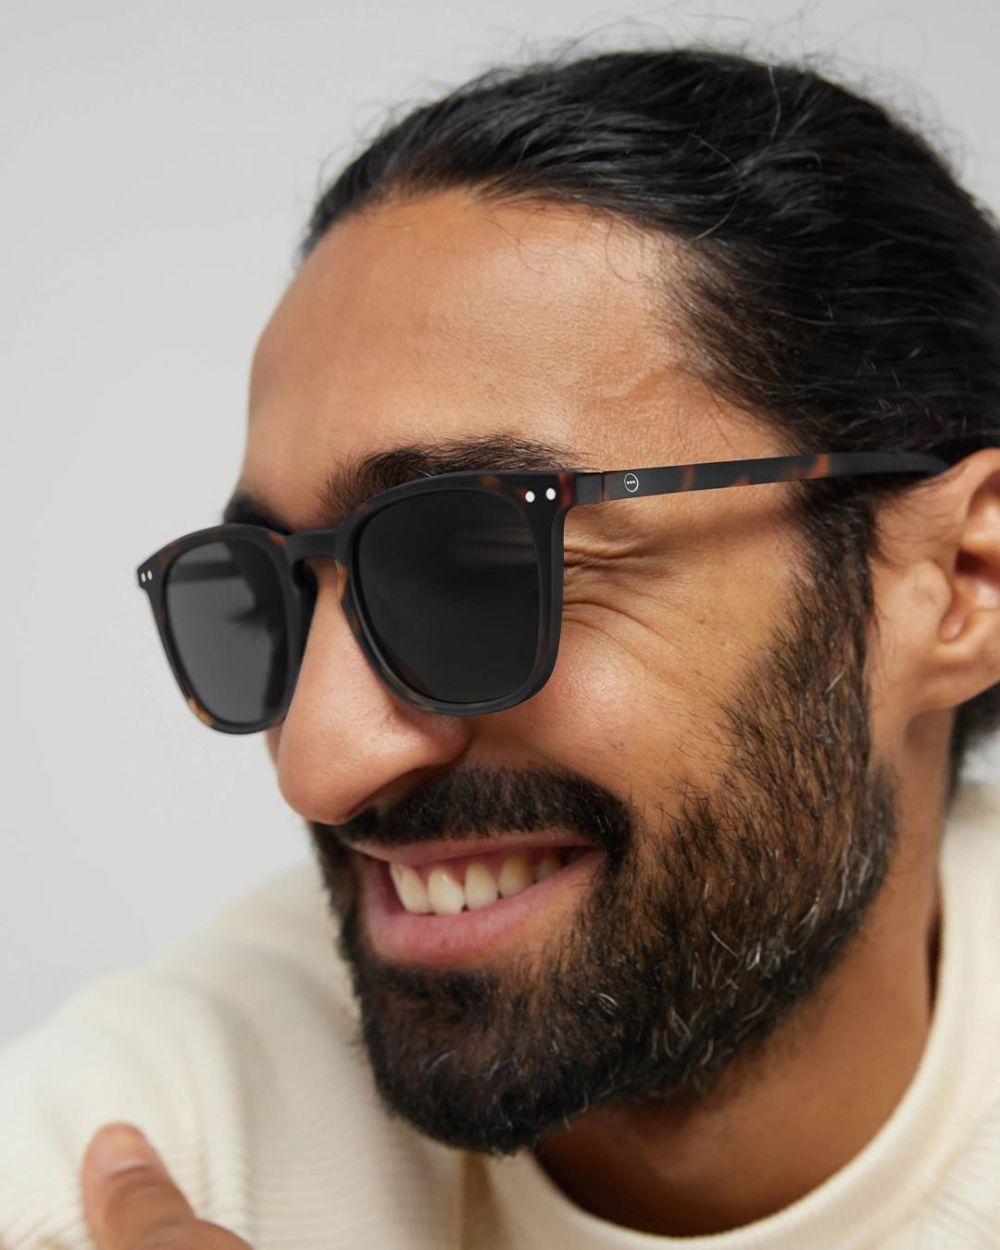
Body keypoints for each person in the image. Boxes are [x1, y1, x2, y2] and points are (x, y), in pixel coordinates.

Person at [3, 42, 1000, 1250]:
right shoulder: (160, 1143)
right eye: (268, 597)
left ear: (959, 581)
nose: (318, 764)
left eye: (475, 565)